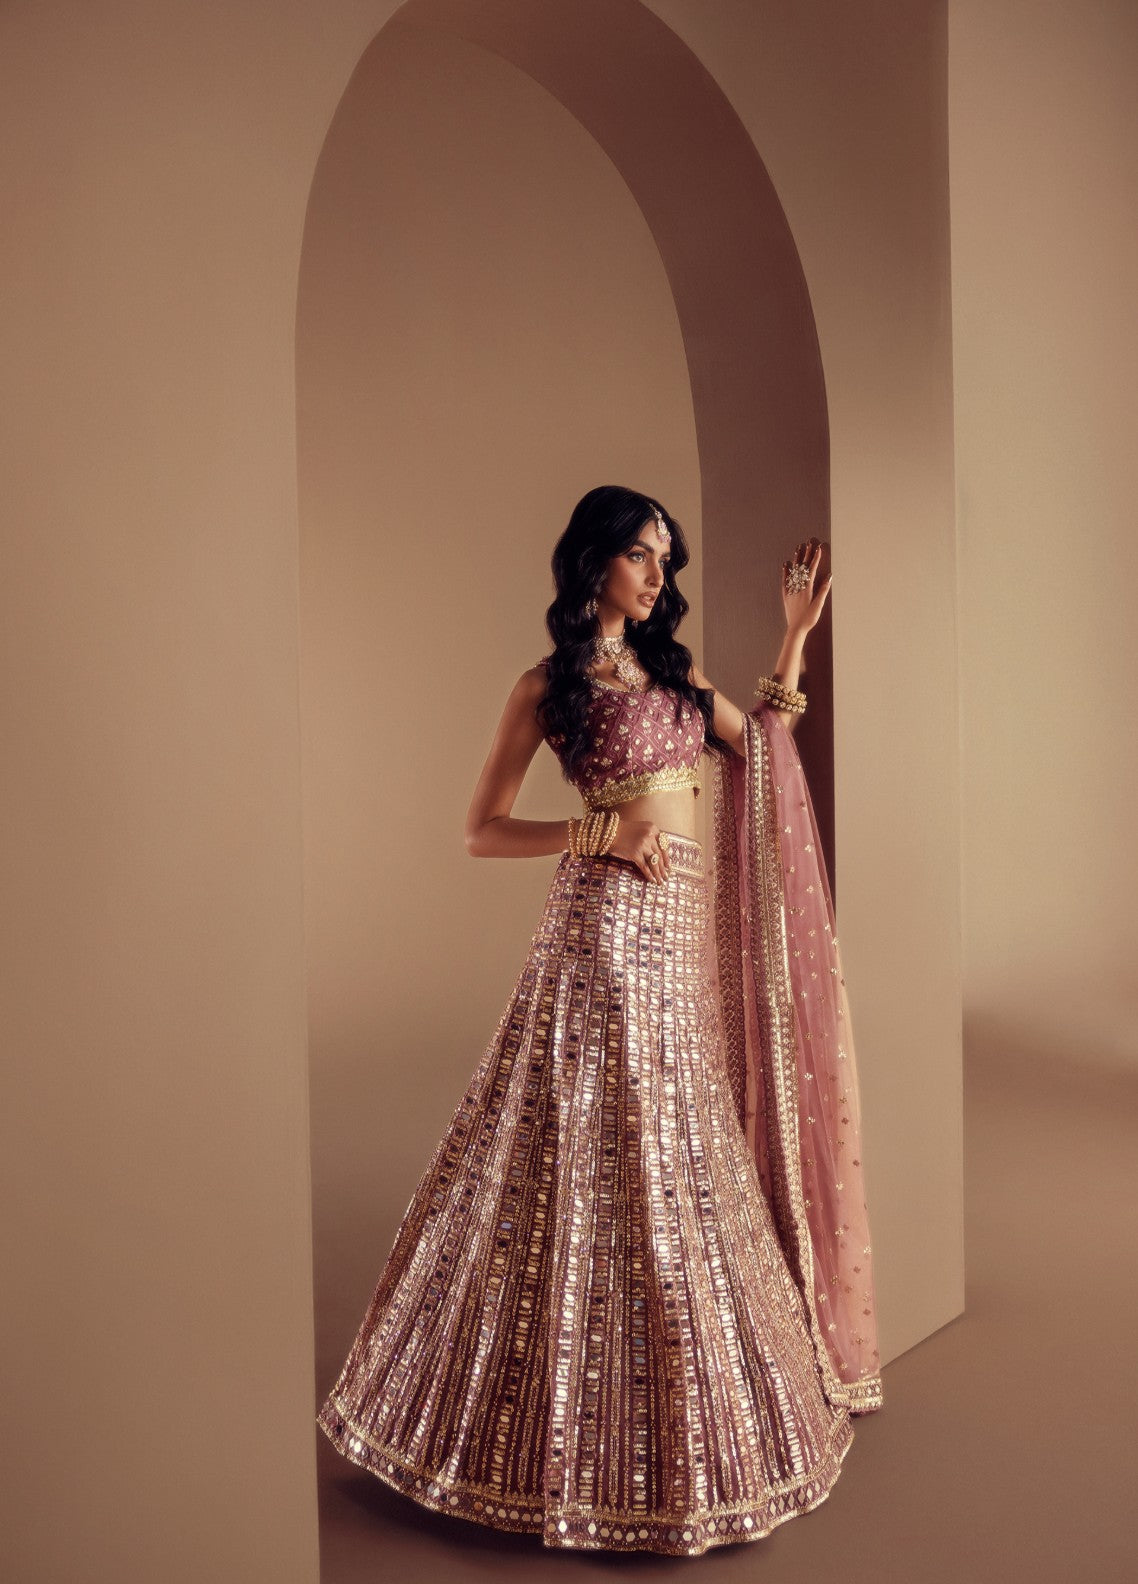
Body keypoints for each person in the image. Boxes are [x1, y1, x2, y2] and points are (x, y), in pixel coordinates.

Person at [317, 484, 882, 1557]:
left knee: (677, 1153)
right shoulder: (549, 687)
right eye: (639, 555)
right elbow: (480, 829)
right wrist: (598, 836)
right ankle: (565, 1427)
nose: (658, 575)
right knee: (609, 1149)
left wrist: (796, 638)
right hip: (604, 932)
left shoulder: (676, 673)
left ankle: (672, 1414)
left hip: (679, 940)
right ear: (592, 562)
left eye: (666, 557)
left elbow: (760, 747)